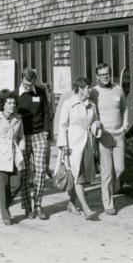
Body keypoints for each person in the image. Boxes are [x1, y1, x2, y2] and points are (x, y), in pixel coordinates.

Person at [56, 77, 99, 220]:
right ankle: (86, 209)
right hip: (73, 144)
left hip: (87, 143)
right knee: (77, 175)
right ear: (80, 88)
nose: (90, 90)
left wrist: (96, 126)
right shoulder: (69, 104)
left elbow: (94, 122)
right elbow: (62, 126)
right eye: (87, 87)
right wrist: (64, 146)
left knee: (81, 175)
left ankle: (71, 203)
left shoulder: (91, 105)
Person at [91, 63, 128, 215]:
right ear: (97, 76)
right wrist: (96, 128)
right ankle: (108, 203)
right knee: (106, 172)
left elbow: (124, 108)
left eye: (107, 73)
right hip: (104, 136)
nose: (105, 76)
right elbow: (90, 112)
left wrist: (125, 125)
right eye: (102, 74)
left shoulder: (118, 89)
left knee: (120, 168)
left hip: (118, 135)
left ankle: (111, 189)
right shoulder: (94, 92)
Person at [0, 89, 29, 225]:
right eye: (9, 103)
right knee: (2, 187)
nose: (12, 105)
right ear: (3, 104)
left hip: (15, 154)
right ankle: (5, 215)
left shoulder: (18, 119)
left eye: (14, 103)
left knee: (16, 184)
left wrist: (21, 147)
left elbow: (22, 136)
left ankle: (4, 205)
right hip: (1, 156)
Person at [17, 67, 52, 220]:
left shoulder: (41, 91)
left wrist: (46, 131)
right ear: (21, 79)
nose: (28, 87)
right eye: (25, 84)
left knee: (41, 171)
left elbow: (46, 112)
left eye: (31, 84)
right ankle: (27, 206)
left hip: (39, 135)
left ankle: (38, 204)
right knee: (24, 173)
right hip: (23, 136)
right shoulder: (16, 94)